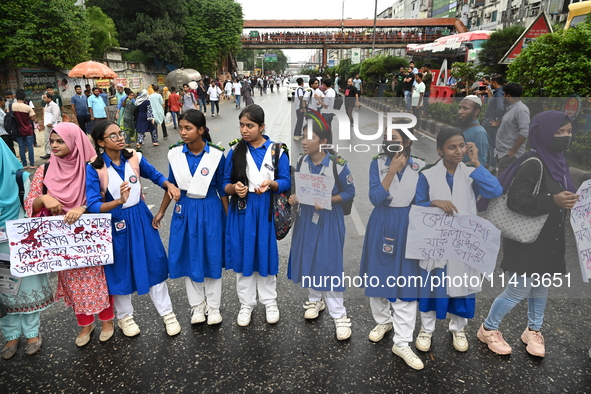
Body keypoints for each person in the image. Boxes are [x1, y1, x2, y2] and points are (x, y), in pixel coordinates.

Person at [477, 111, 577, 358]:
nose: (565, 137)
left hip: (549, 239)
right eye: (558, 132)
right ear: (542, 134)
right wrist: (552, 200)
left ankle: (533, 330)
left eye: (568, 131)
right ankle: (487, 329)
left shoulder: (559, 163)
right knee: (518, 289)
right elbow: (516, 201)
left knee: (541, 287)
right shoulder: (534, 163)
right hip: (526, 239)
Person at [86, 121, 182, 337]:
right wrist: (118, 200)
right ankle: (125, 317)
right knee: (119, 268)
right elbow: (93, 205)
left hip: (140, 216)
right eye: (113, 136)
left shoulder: (134, 157)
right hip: (115, 221)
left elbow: (155, 176)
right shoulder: (94, 167)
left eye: (120, 133)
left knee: (154, 261)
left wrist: (169, 185)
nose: (120, 137)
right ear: (100, 142)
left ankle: (167, 313)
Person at [25, 122, 114, 346]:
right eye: (51, 141)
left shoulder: (93, 168)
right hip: (62, 241)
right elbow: (30, 204)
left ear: (74, 141)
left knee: (101, 280)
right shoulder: (44, 171)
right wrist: (44, 199)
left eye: (60, 141)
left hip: (92, 237)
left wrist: (83, 208)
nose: (54, 146)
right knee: (73, 282)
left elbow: (107, 199)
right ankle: (85, 324)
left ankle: (107, 321)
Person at [414, 128, 502, 354]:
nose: (458, 151)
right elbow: (416, 205)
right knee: (433, 284)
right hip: (436, 242)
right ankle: (426, 329)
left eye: (462, 145)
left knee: (462, 285)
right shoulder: (427, 174)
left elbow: (495, 190)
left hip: (464, 242)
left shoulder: (472, 172)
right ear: (440, 150)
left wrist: (477, 162)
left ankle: (458, 328)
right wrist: (434, 203)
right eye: (451, 147)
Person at [153, 110, 229, 325]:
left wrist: (228, 216)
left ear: (201, 130)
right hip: (184, 209)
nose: (183, 132)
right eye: (181, 128)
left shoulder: (216, 155)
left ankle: (214, 307)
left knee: (212, 257)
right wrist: (161, 211)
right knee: (189, 257)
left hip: (211, 208)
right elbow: (171, 183)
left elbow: (222, 188)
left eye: (188, 128)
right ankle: (197, 306)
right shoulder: (175, 154)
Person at [359, 128, 425, 370]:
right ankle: (383, 321)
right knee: (378, 275)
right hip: (382, 221)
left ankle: (403, 341)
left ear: (407, 141)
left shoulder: (419, 166)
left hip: (408, 224)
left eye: (394, 139)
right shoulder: (376, 164)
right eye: (385, 138)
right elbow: (375, 197)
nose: (388, 142)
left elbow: (422, 201)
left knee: (406, 281)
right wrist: (393, 171)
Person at [223, 104, 291, 326]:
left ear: (262, 127)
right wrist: (235, 189)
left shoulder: (277, 150)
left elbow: (286, 181)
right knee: (243, 255)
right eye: (242, 125)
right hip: (242, 208)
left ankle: (269, 301)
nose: (244, 130)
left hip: (265, 210)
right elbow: (224, 183)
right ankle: (246, 304)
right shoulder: (234, 151)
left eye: (250, 126)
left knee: (265, 253)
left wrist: (272, 184)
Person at [288, 121, 355, 340]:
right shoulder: (301, 161)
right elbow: (299, 188)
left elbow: (350, 192)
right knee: (309, 256)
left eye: (310, 138)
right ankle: (315, 299)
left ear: (323, 141)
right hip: (307, 218)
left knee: (329, 261)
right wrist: (294, 197)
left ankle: (339, 314)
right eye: (303, 137)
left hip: (329, 218)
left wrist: (329, 199)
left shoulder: (338, 164)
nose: (304, 142)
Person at [0, 139, 53, 360]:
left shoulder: (19, 177)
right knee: (3, 291)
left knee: (27, 285)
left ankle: (32, 332)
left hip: (20, 240)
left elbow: (32, 206)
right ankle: (10, 335)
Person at [493, 83, 530, 176]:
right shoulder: (511, 108)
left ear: (508, 96)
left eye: (504, 95)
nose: (502, 97)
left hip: (509, 155)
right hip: (502, 152)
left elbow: (524, 133)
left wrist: (512, 151)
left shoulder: (521, 110)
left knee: (502, 183)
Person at [482, 75, 505, 173]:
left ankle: (492, 166)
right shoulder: (497, 93)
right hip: (489, 121)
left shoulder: (499, 94)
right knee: (488, 144)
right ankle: (488, 163)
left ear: (495, 82)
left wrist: (498, 121)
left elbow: (500, 108)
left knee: (491, 145)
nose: (490, 84)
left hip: (491, 122)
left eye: (491, 82)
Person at [457, 96, 488, 165]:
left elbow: (481, 161)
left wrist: (458, 167)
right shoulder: (462, 128)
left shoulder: (479, 133)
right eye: (460, 108)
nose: (460, 111)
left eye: (465, 108)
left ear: (476, 112)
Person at [12, 90, 37, 169]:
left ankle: (24, 164)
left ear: (16, 97)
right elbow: (33, 118)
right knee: (30, 146)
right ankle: (32, 164)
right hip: (28, 130)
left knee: (21, 147)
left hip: (18, 130)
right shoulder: (27, 107)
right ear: (24, 98)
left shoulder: (11, 106)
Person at [40, 93, 61, 160]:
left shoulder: (54, 105)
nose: (44, 99)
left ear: (49, 98)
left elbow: (56, 115)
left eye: (45, 98)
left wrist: (51, 122)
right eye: (43, 98)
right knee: (47, 138)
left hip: (54, 125)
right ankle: (48, 153)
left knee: (56, 138)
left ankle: (57, 152)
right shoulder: (46, 105)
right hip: (47, 124)